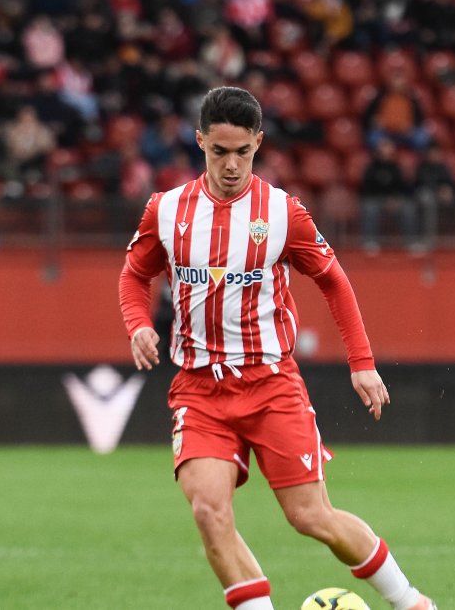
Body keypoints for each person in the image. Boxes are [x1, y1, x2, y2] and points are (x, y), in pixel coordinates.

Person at [118, 87, 437, 610]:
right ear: (199, 142)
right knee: (208, 511)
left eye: (242, 152)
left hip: (271, 384)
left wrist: (361, 363)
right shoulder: (167, 210)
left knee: (311, 517)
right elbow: (134, 274)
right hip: (199, 389)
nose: (230, 165)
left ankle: (411, 602)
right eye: (219, 151)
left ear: (258, 144)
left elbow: (333, 280)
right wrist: (137, 325)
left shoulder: (283, 213)